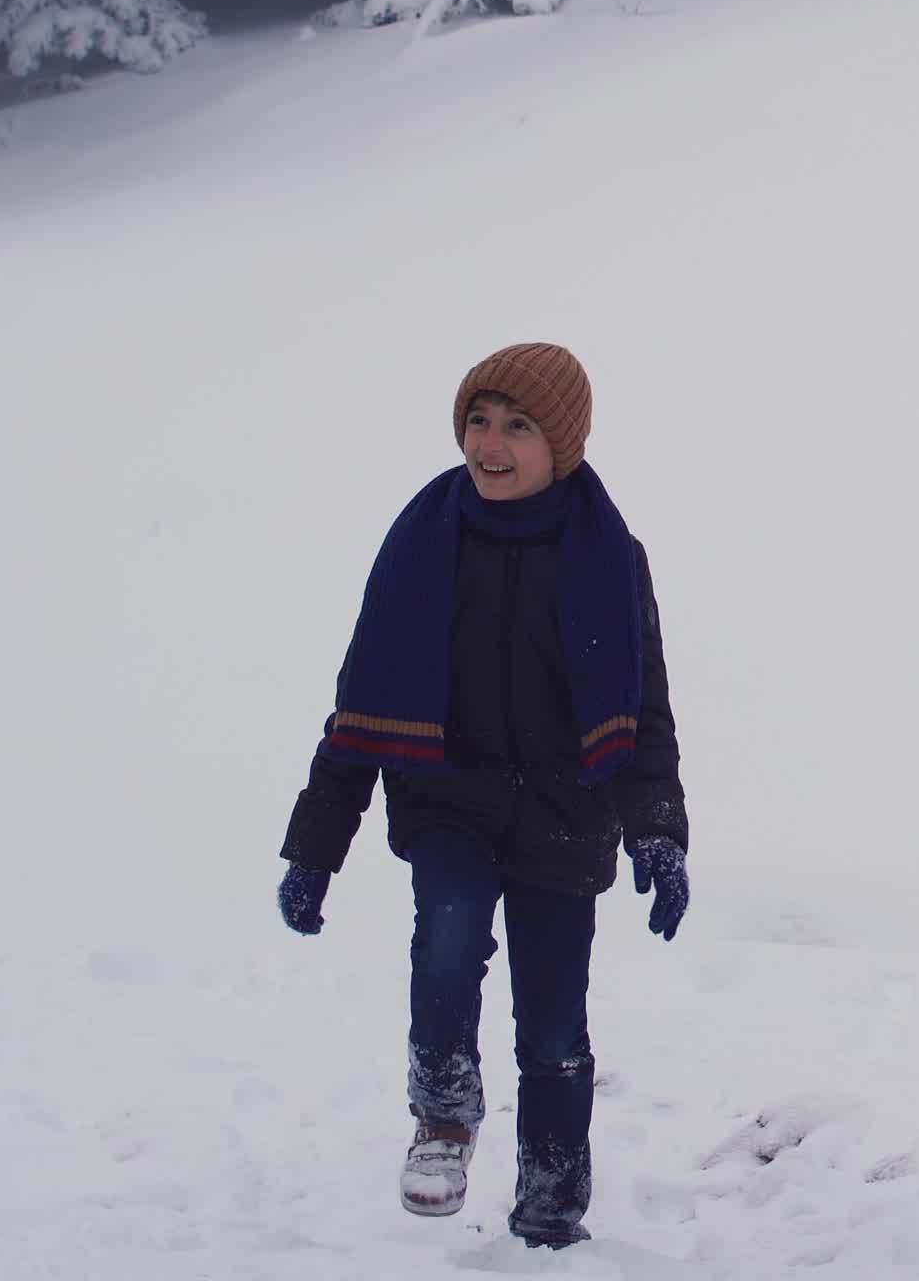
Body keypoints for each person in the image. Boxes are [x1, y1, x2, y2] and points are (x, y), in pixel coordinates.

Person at [274, 343, 690, 1246]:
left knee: (554, 1025)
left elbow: (643, 707)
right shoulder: (425, 542)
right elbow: (362, 699)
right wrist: (315, 846)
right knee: (447, 944)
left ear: (562, 443)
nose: (490, 445)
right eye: (478, 420)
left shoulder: (609, 556)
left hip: (565, 814)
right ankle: (444, 1117)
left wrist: (658, 829)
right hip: (448, 804)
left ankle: (552, 1201)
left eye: (518, 426)